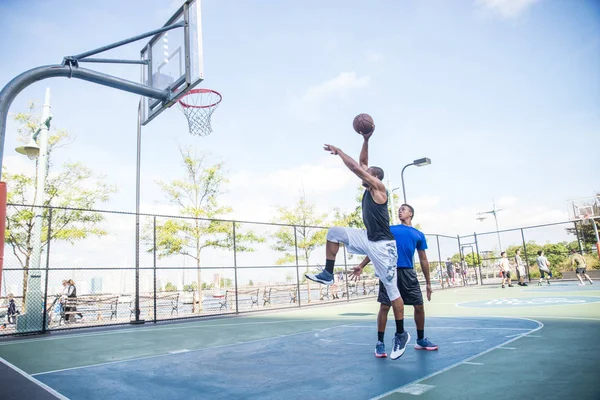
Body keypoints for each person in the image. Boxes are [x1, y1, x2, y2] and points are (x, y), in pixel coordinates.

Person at [305, 130, 410, 360]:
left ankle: (401, 334)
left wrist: (340, 151)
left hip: (383, 247)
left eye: (368, 172)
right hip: (368, 237)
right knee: (334, 233)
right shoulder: (368, 185)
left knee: (392, 293)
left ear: (375, 177)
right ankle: (328, 273)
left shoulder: (379, 189)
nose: (364, 172)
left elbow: (356, 167)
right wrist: (366, 139)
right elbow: (362, 163)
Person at [351, 204, 438, 358]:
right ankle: (380, 343)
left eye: (403, 209)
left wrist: (428, 283)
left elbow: (423, 259)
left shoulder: (418, 234)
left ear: (411, 213)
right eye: (399, 209)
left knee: (419, 306)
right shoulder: (390, 230)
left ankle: (420, 340)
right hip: (389, 271)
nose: (400, 210)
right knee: (385, 306)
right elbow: (376, 249)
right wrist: (361, 266)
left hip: (408, 274)